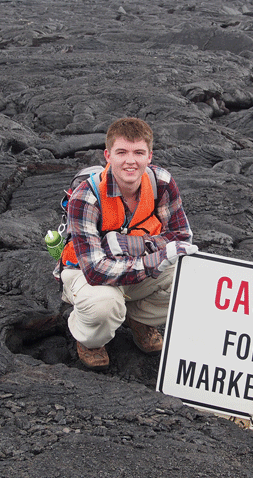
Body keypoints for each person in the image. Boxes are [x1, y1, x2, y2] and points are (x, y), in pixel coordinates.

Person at [58, 117, 197, 369]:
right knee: (104, 306)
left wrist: (122, 245)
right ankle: (90, 340)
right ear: (107, 155)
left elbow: (182, 238)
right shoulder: (86, 197)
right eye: (121, 152)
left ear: (150, 156)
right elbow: (96, 270)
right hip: (84, 273)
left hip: (132, 265)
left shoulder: (162, 183)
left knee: (193, 276)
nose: (130, 161)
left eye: (138, 152)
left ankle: (140, 319)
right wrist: (157, 256)